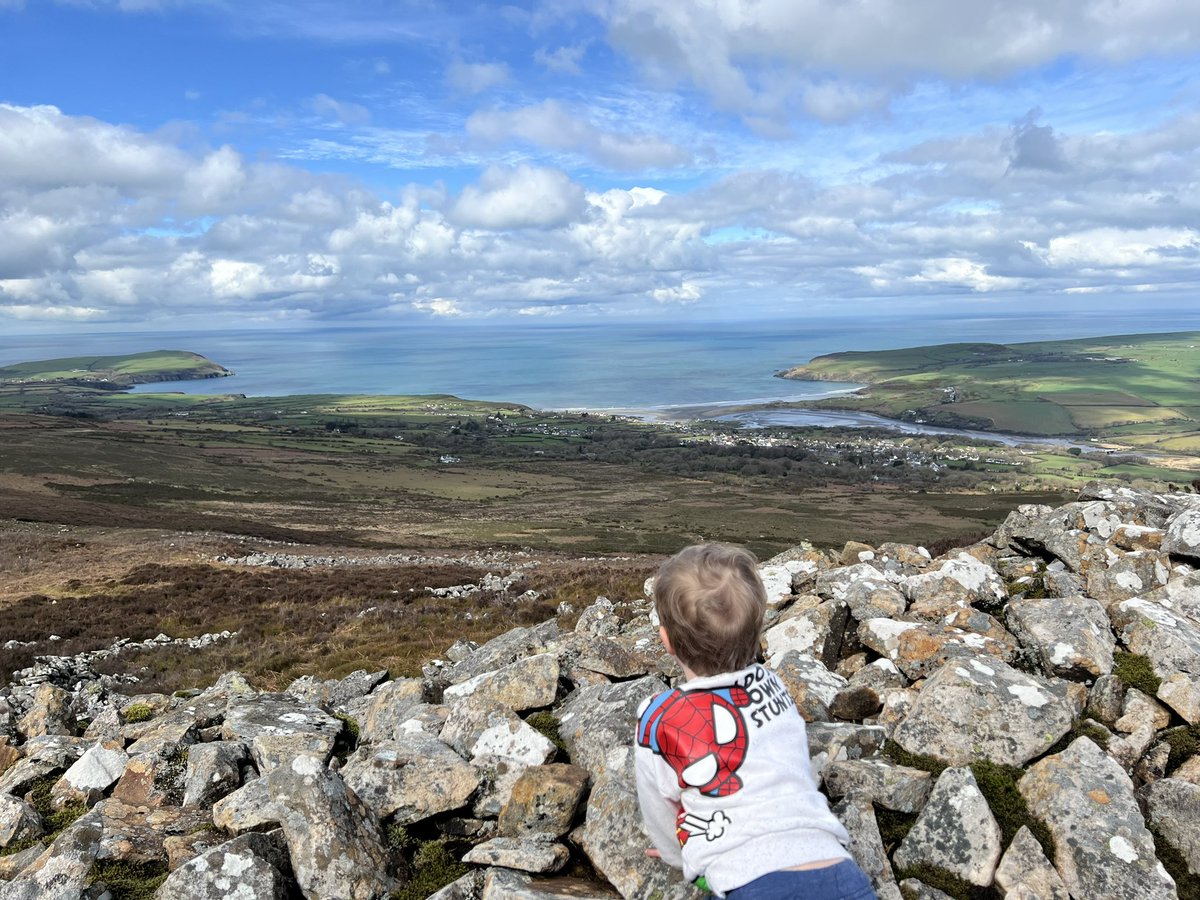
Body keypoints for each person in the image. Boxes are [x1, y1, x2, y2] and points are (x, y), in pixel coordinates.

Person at [634, 543, 876, 900]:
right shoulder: (772, 686)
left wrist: (677, 856)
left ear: (666, 641)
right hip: (838, 870)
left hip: (753, 883)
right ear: (758, 629)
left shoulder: (657, 717)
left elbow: (658, 808)